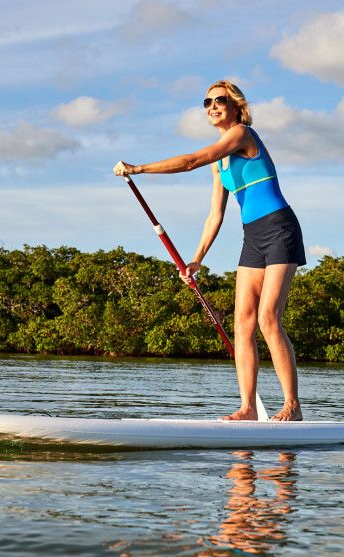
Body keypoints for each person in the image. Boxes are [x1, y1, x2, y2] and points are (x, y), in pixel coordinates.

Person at [113, 80, 305, 421]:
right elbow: (215, 214)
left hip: (279, 228)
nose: (212, 106)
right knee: (242, 322)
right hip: (253, 236)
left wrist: (139, 168)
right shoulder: (221, 162)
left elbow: (190, 161)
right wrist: (197, 259)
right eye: (207, 102)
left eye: (219, 100)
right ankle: (248, 408)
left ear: (235, 106)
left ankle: (292, 406)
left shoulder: (242, 134)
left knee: (268, 318)